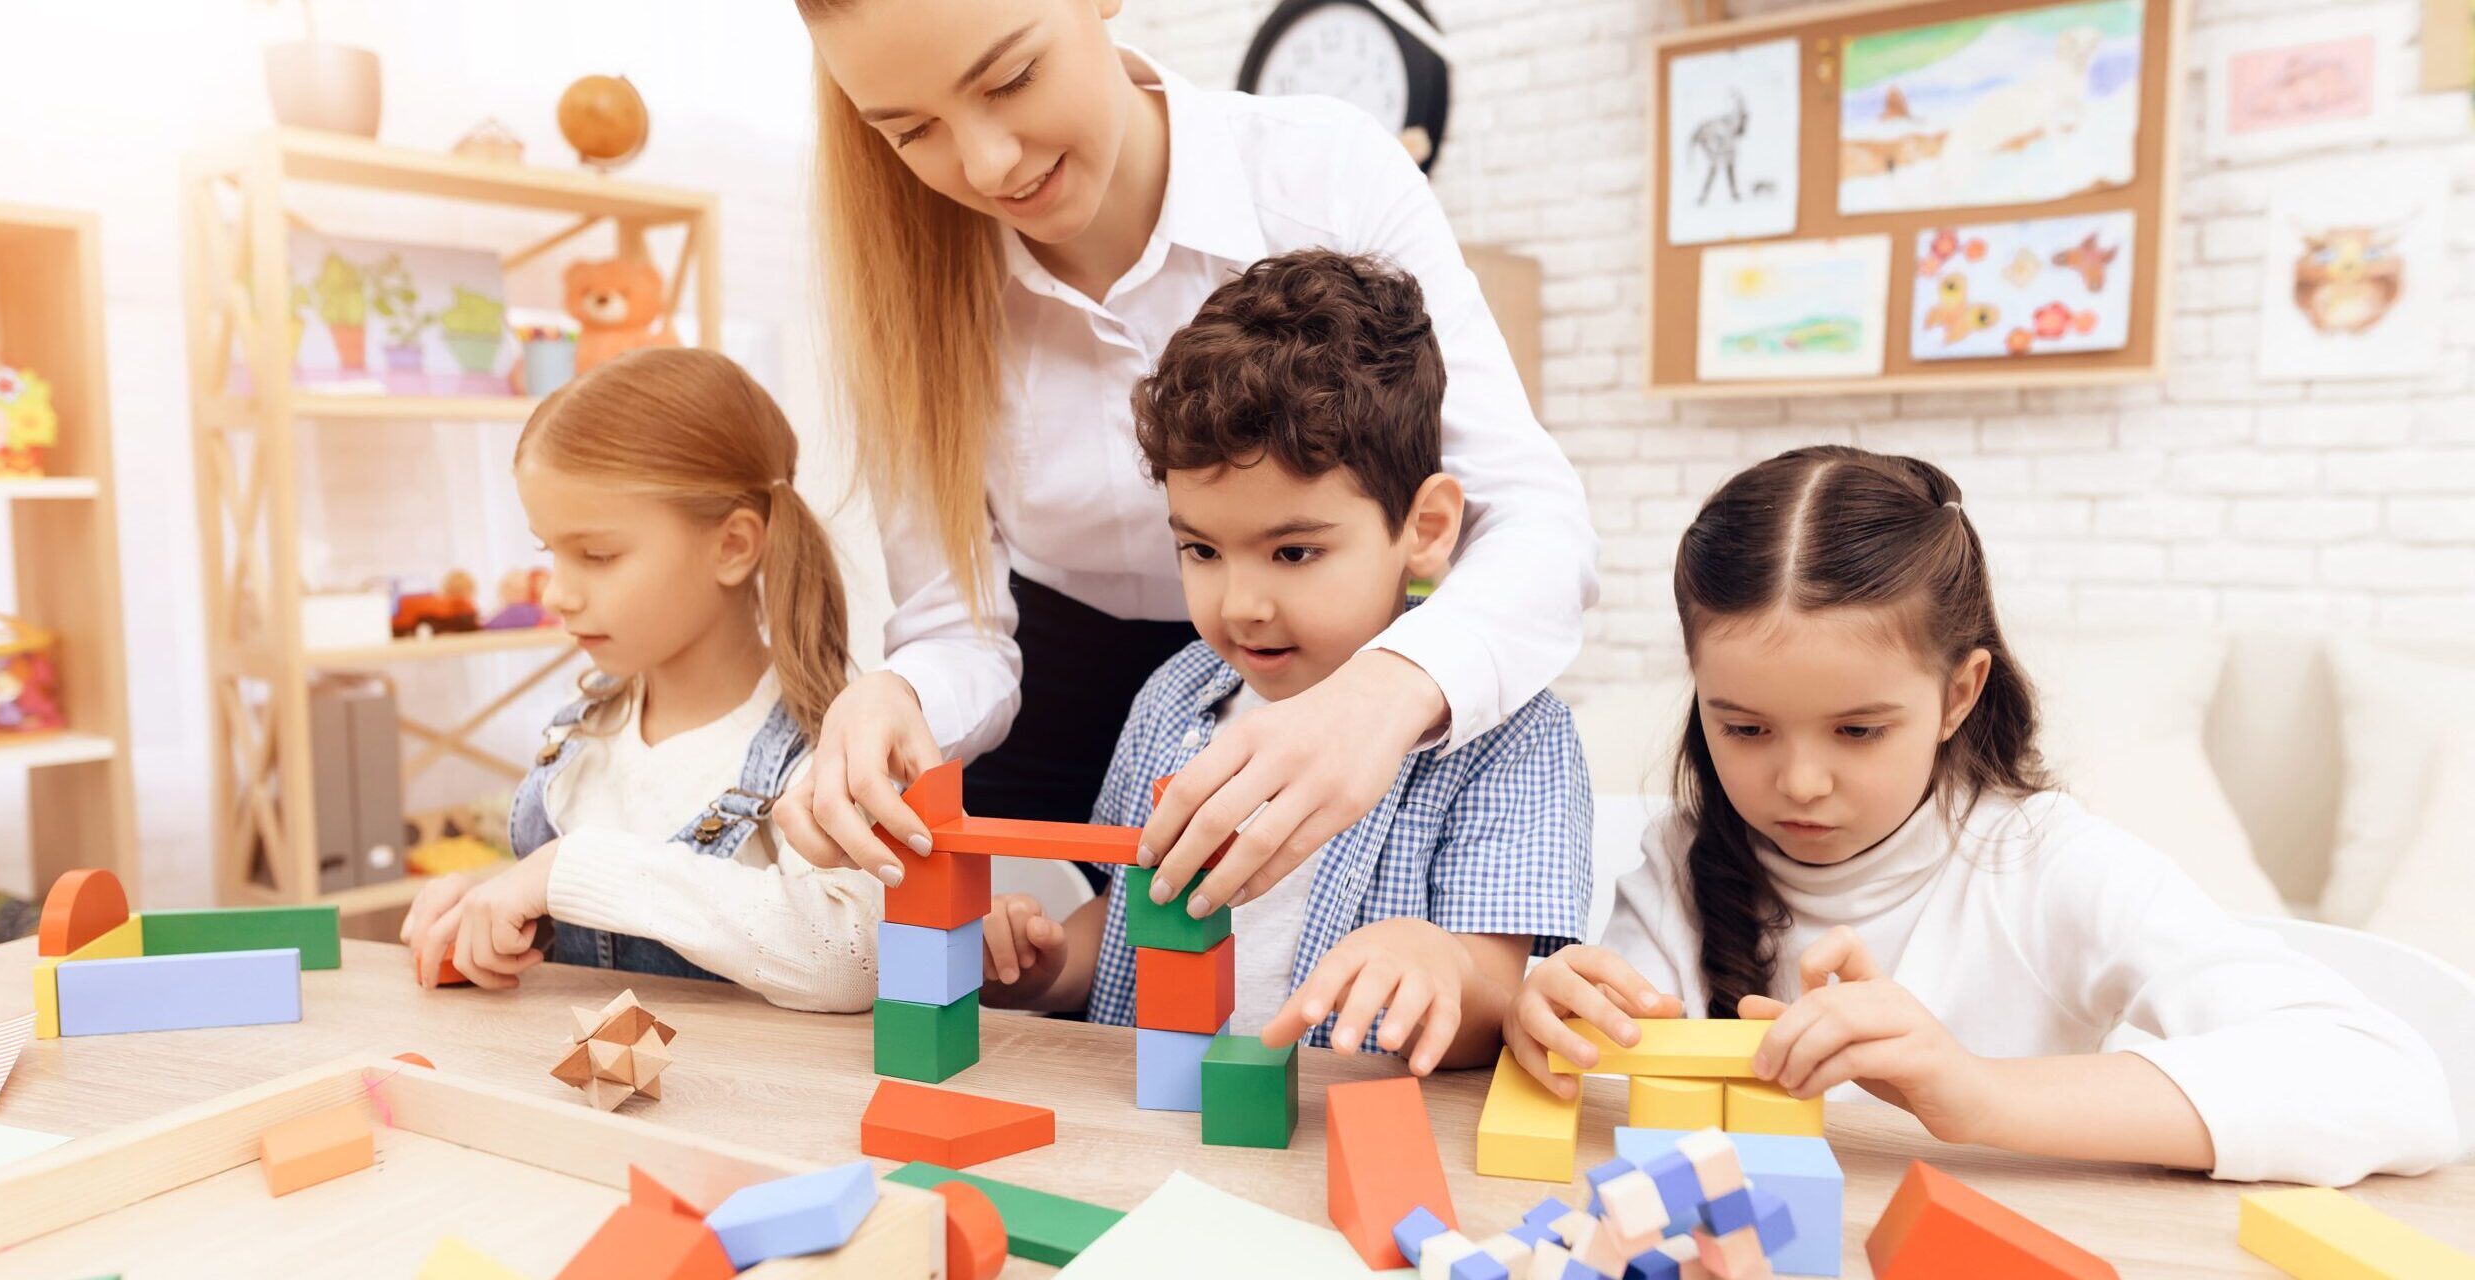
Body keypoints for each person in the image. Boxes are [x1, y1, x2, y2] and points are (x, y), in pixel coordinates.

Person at [774, 0, 1596, 918]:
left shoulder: (1321, 173)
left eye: (1011, 79)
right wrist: (898, 698)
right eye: (911, 130)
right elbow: (954, 626)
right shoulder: (901, 279)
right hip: (1050, 714)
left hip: (1336, 677)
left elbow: (1531, 517)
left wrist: (1380, 695)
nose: (986, 164)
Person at [1501, 445, 2457, 1185]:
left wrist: (1976, 1091)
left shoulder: (2042, 863)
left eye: (1859, 731)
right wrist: (1551, 1017)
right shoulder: (1678, 860)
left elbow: (2398, 1087)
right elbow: (1622, 1116)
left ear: (1959, 695)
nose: (1797, 782)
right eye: (1743, 726)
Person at [966, 250, 1592, 1074]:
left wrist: (1438, 966)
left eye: (1293, 552)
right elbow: (1128, 916)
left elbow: (1494, 996)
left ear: (1427, 528)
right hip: (1148, 1124)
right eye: (1201, 549)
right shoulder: (1173, 696)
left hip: (1340, 1143)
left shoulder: (1514, 736)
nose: (1239, 606)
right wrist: (1047, 967)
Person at [402, 348, 881, 1011]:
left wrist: (569, 871)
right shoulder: (585, 727)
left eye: (597, 555)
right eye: (550, 552)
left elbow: (854, 960)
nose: (559, 594)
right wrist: (497, 903)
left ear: (734, 546)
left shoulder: (822, 755)